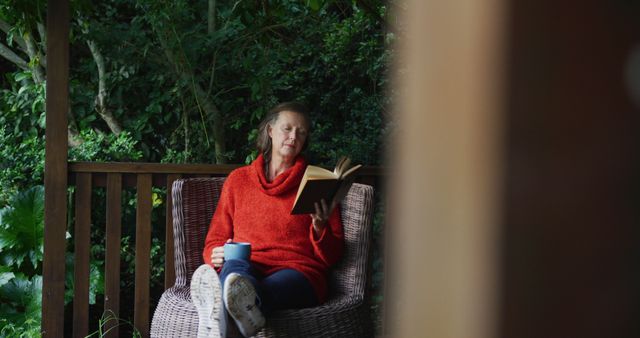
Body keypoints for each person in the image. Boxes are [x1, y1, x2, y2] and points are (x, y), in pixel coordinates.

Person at [191, 102, 344, 338]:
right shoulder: (238, 180)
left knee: (247, 295)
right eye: (288, 128)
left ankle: (216, 316)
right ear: (270, 131)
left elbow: (332, 257)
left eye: (301, 132)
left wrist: (320, 227)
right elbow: (215, 240)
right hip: (246, 267)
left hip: (298, 271)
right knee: (234, 276)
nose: (294, 136)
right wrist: (215, 252)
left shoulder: (318, 183)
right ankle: (232, 308)